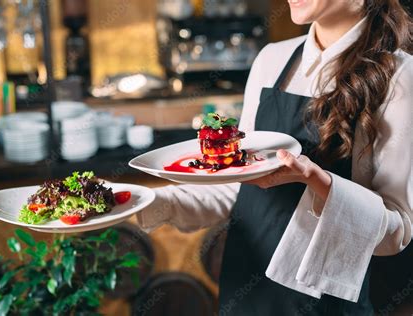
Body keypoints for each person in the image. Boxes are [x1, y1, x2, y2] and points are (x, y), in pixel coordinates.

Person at [138, 0, 413, 315]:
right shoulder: (272, 59)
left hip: (323, 300)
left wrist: (316, 179)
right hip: (246, 286)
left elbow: (396, 233)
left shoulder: (400, 77)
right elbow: (238, 185)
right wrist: (145, 201)